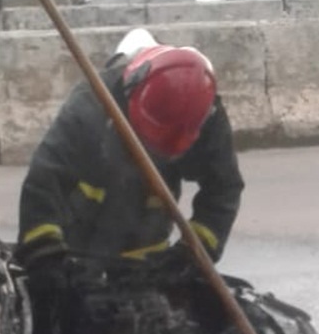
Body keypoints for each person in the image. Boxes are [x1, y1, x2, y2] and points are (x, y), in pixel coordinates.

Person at [13, 32, 244, 295]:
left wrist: (192, 255)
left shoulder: (204, 115)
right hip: (73, 252)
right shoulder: (92, 101)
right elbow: (44, 179)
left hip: (146, 259)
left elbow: (223, 189)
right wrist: (45, 255)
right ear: (132, 95)